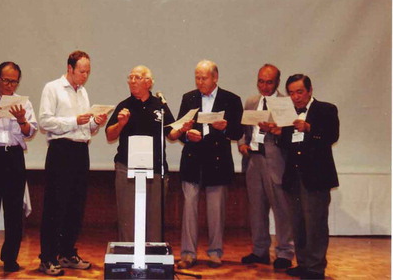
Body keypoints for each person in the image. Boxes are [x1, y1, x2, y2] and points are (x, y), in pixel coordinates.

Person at [38, 50, 107, 276]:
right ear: (69, 68)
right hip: (61, 151)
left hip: (80, 151)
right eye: (81, 71)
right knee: (55, 206)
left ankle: (67, 252)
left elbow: (85, 128)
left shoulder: (83, 92)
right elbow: (45, 121)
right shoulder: (53, 88)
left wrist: (96, 122)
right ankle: (47, 257)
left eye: (88, 71)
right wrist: (73, 120)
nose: (85, 76)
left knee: (75, 206)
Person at [106, 65, 187, 243]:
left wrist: (182, 129)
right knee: (127, 217)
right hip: (126, 168)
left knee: (154, 218)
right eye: (130, 78)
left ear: (149, 83)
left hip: (155, 169)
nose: (132, 81)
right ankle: (127, 257)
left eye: (137, 77)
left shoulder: (160, 106)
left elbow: (171, 134)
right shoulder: (124, 106)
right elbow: (109, 135)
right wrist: (120, 124)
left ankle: (153, 259)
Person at [269, 74, 339, 280]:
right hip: (293, 176)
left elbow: (332, 136)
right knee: (298, 223)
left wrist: (309, 128)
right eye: (291, 93)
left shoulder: (326, 109)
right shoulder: (288, 113)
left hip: (315, 176)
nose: (296, 97)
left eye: (299, 92)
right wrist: (278, 133)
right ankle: (303, 263)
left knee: (315, 223)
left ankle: (316, 268)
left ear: (309, 91)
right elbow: (288, 145)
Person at [176, 60, 243, 269]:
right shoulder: (189, 98)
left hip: (217, 162)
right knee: (189, 210)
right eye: (197, 77)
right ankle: (187, 254)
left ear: (215, 78)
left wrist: (224, 128)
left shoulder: (231, 99)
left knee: (216, 211)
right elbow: (179, 128)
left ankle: (215, 252)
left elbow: (238, 132)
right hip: (192, 161)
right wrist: (187, 134)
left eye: (204, 78)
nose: (200, 81)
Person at [0, 62, 38, 273]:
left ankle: (11, 258)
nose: (10, 85)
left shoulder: (24, 103)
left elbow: (31, 132)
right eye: (6, 80)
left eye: (14, 81)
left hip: (13, 156)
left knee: (13, 211)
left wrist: (22, 120)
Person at [238, 64, 294, 269]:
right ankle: (260, 250)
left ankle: (285, 252)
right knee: (257, 209)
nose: (264, 85)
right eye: (261, 81)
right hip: (253, 160)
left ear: (277, 82)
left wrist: (275, 130)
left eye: (269, 81)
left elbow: (288, 134)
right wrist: (242, 144)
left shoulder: (285, 103)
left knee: (282, 208)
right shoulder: (252, 101)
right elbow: (245, 129)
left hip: (275, 160)